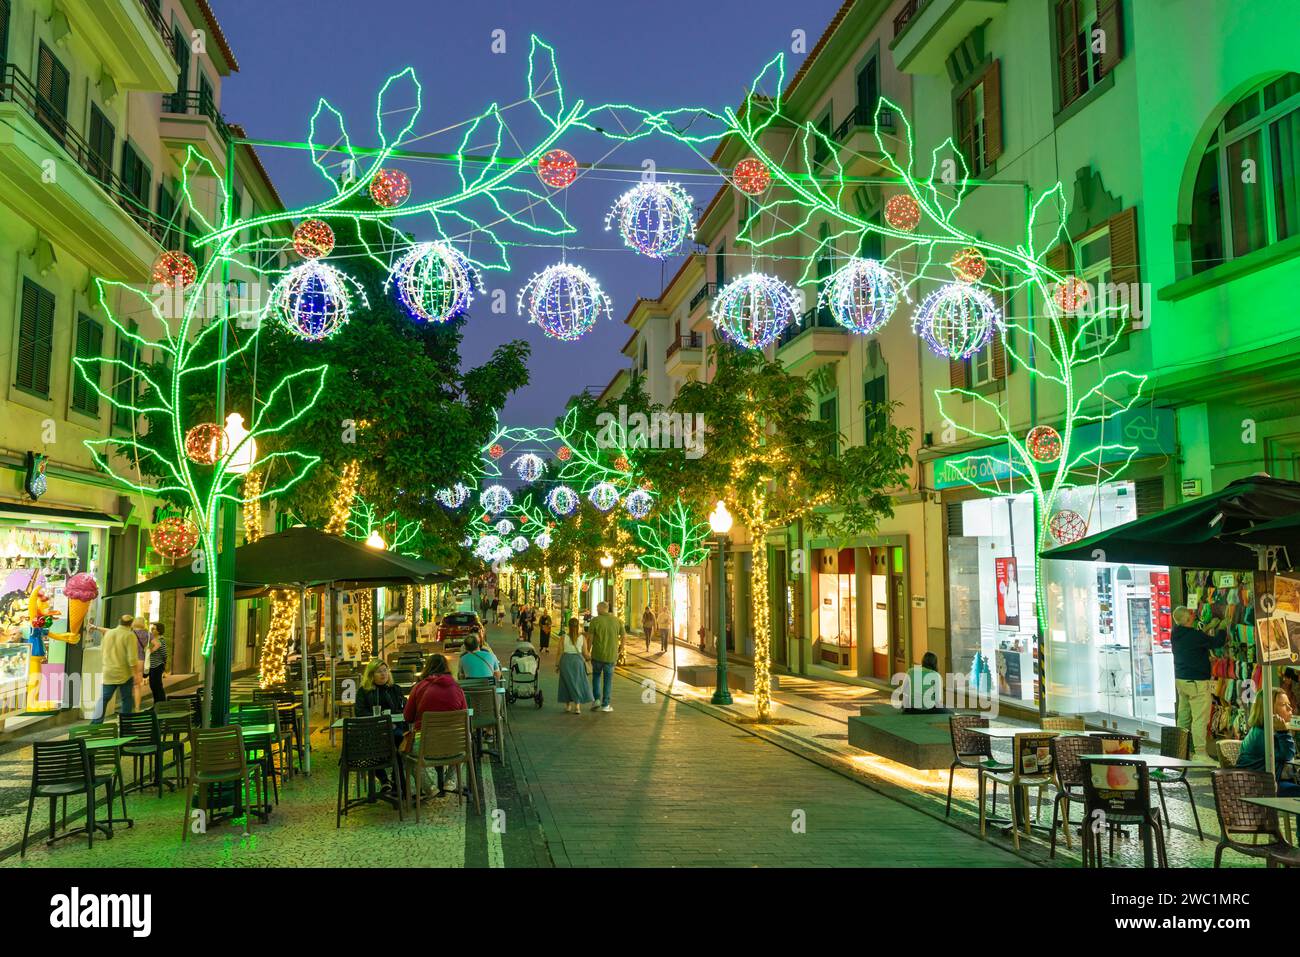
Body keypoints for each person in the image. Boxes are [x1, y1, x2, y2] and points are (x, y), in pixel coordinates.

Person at [403, 654, 469, 795]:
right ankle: (450, 780)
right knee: (466, 738)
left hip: (425, 746)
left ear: (427, 667)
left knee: (405, 755)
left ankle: (429, 787)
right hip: (454, 746)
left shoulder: (419, 687)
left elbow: (408, 717)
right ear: (446, 667)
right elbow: (464, 716)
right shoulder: (457, 687)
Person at [1171, 606, 1224, 757]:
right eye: (1191, 613)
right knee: (1200, 719)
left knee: (1184, 717)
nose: (1194, 614)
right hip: (1197, 683)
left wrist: (1208, 627)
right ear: (1188, 619)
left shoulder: (1176, 633)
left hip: (1182, 681)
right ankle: (1200, 755)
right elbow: (1217, 642)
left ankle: (1179, 752)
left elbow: (1197, 639)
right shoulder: (1194, 636)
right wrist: (1223, 627)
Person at [356, 660, 408, 794]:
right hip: (373, 731)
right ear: (371, 674)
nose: (383, 674)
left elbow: (403, 709)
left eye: (385, 670)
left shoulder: (395, 689)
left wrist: (393, 718)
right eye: (379, 671)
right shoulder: (364, 692)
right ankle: (385, 779)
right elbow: (360, 712)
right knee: (371, 746)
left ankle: (398, 781)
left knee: (398, 740)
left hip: (395, 728)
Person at [1238, 688, 1300, 796]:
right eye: (1283, 704)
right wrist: (1284, 732)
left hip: (1272, 779)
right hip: (1257, 785)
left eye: (1289, 704)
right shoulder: (1261, 734)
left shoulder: (1270, 730)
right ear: (1268, 709)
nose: (1290, 708)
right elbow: (1288, 755)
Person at [92, 615, 141, 724]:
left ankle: (95, 724)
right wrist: (136, 674)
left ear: (119, 622)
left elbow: (102, 650)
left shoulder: (109, 633)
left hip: (108, 672)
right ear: (131, 624)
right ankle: (126, 724)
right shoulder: (129, 635)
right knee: (127, 698)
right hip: (124, 673)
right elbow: (132, 659)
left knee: (103, 699)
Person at [588, 601, 623, 713]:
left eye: (597, 608)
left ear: (601, 609)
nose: (597, 610)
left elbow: (590, 639)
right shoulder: (617, 620)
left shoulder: (595, 621)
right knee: (608, 680)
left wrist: (587, 652)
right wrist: (620, 650)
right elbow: (624, 636)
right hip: (611, 656)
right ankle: (606, 704)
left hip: (597, 655)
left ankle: (597, 699)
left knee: (596, 677)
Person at [557, 617, 594, 714]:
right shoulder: (582, 638)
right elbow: (585, 653)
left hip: (565, 661)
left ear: (568, 626)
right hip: (578, 662)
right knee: (577, 683)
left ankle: (568, 706)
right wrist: (590, 658)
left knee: (565, 684)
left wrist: (557, 665)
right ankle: (577, 706)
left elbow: (559, 653)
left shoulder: (563, 637)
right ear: (578, 626)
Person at [146, 622, 167, 703]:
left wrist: (163, 664)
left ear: (158, 631)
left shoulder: (161, 641)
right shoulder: (153, 640)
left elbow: (164, 654)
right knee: (153, 686)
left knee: (157, 686)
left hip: (157, 666)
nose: (151, 629)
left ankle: (161, 704)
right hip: (152, 666)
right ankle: (156, 704)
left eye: (153, 628)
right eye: (152, 628)